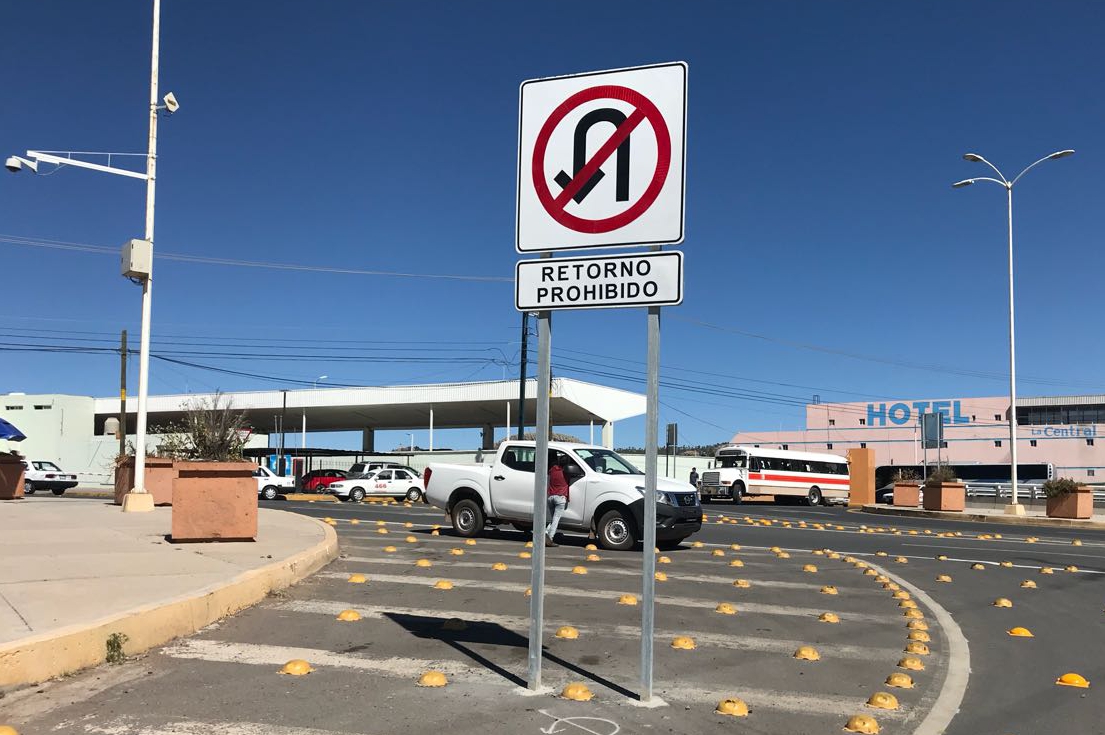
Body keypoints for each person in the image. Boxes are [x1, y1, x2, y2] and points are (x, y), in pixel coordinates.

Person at [545, 452, 569, 547]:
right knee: (556, 520)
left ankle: (545, 533)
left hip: (550, 497)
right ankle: (550, 538)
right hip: (560, 498)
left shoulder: (552, 470)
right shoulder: (566, 472)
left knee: (553, 519)